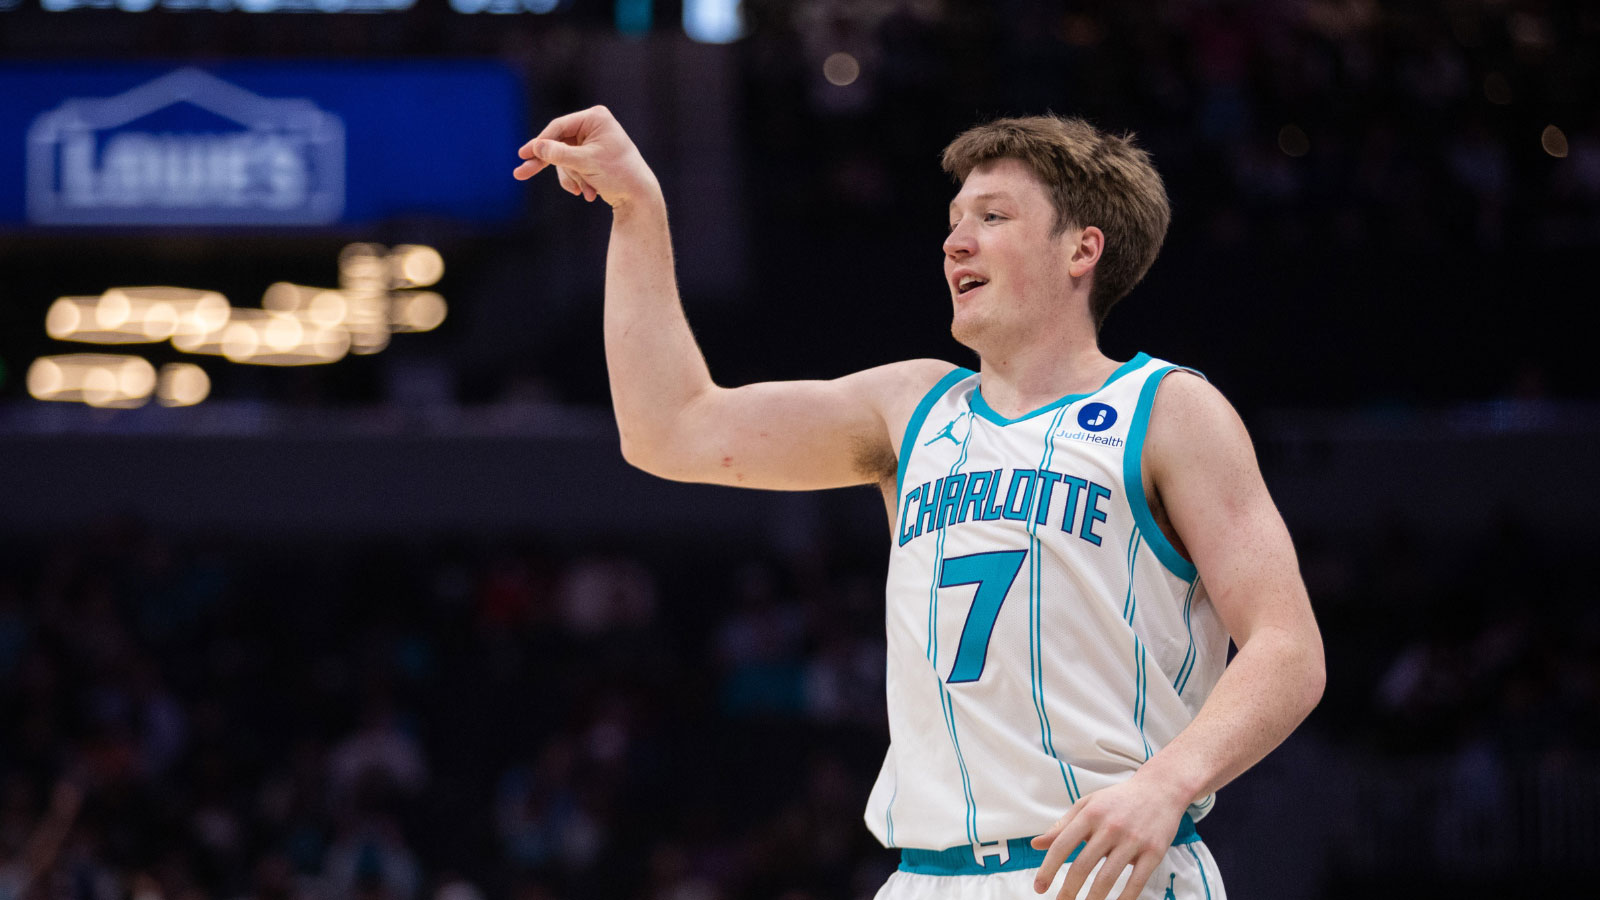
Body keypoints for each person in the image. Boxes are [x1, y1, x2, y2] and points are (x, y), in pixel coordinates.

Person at [513, 107, 1324, 900]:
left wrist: (1169, 784)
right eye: (954, 220)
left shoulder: (1168, 410)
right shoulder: (911, 408)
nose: (955, 241)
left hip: (1106, 870)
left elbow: (1288, 647)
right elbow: (669, 431)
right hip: (925, 876)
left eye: (992, 216)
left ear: (1082, 248)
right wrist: (637, 207)